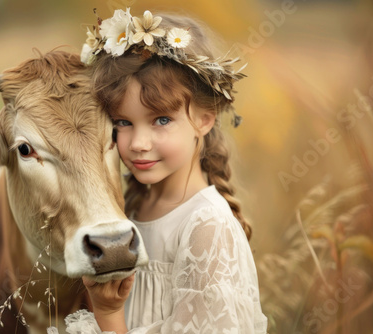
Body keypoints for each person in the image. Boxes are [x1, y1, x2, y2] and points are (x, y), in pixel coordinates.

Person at [65, 8, 267, 334]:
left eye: (161, 120)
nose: (139, 144)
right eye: (122, 122)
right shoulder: (126, 209)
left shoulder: (207, 229)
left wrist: (109, 312)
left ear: (204, 118)